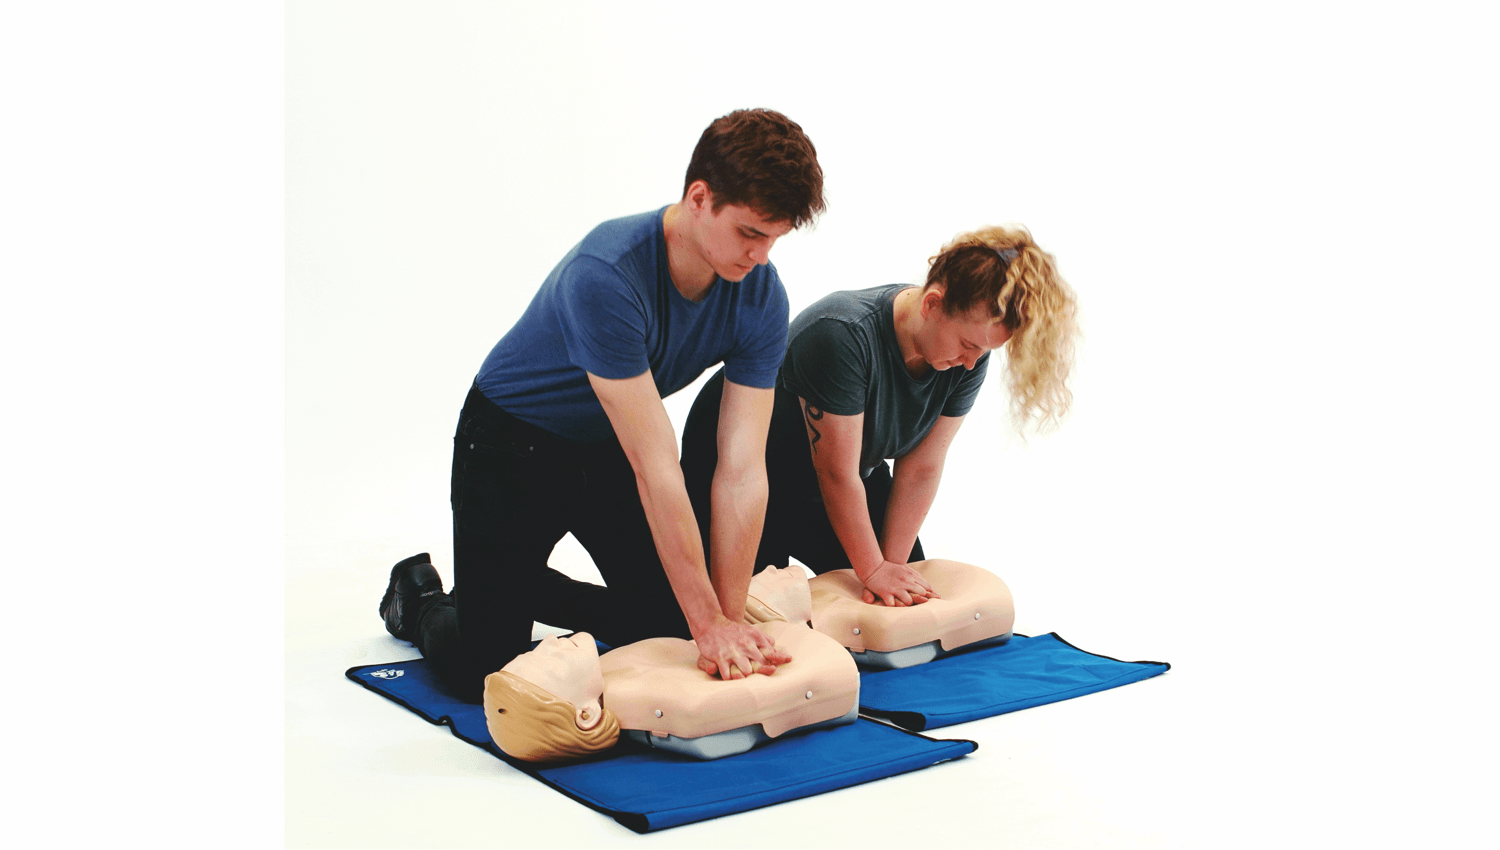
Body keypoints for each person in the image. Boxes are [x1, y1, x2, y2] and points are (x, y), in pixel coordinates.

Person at [380, 109, 827, 699]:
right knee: (485, 667)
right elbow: (657, 466)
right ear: (700, 198)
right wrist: (709, 624)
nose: (761, 256)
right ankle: (419, 600)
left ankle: (522, 586)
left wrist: (723, 618)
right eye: (750, 233)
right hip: (510, 444)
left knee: (677, 626)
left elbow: (742, 471)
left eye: (774, 238)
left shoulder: (761, 297)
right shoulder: (607, 273)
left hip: (605, 443)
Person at [682, 225, 1077, 608]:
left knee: (908, 601)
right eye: (967, 344)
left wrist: (890, 569)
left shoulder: (965, 360)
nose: (972, 361)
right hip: (741, 471)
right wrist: (871, 570)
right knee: (745, 617)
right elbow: (835, 473)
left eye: (984, 350)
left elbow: (921, 467)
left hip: (846, 474)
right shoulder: (840, 335)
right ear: (932, 304)